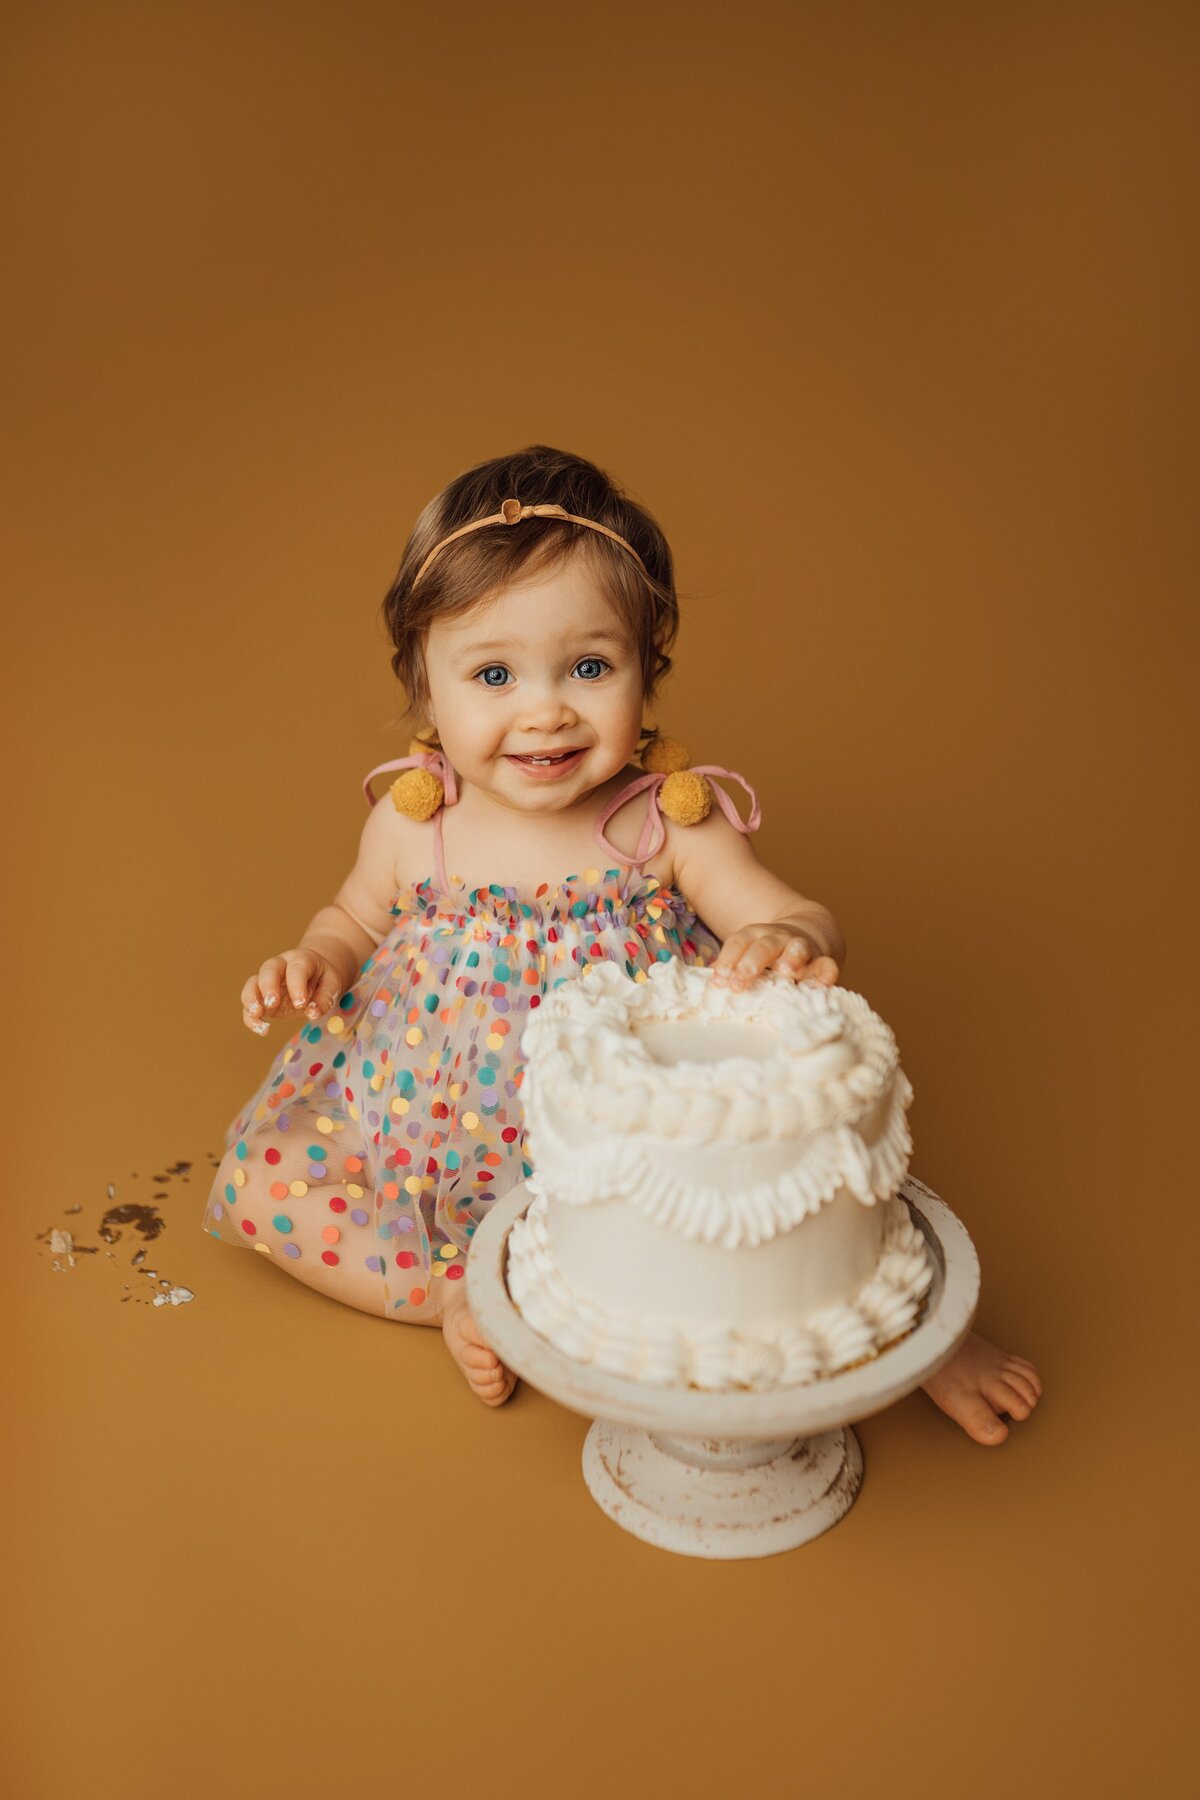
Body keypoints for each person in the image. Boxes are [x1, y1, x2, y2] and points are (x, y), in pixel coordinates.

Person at [203, 444, 1043, 1441]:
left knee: (805, 1194)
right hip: (432, 1131)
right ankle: (455, 1293)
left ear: (649, 672)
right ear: (425, 686)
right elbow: (350, 916)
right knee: (263, 1178)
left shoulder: (663, 824)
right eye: (494, 673)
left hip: (640, 1152)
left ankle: (917, 1340)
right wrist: (320, 959)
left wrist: (782, 939)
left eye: (590, 666)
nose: (545, 709)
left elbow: (800, 914)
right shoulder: (412, 820)